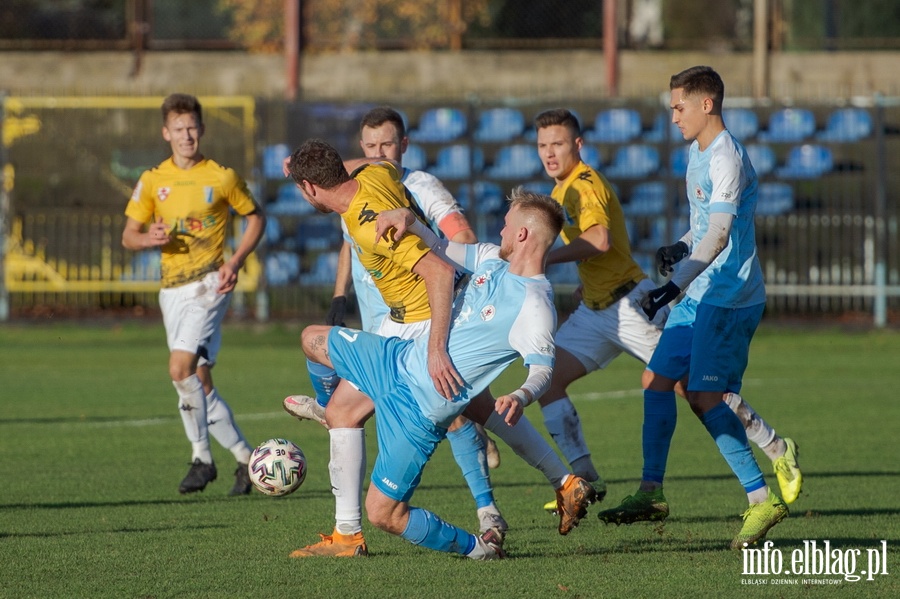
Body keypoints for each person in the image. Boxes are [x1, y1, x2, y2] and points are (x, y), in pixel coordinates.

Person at [285, 140, 596, 558]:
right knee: (313, 341)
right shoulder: (489, 258)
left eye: (506, 224)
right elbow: (443, 246)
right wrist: (409, 218)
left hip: (420, 378)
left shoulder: (535, 306)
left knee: (386, 510)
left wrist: (520, 393)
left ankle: (480, 543)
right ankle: (554, 481)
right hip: (395, 359)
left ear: (521, 234)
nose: (498, 229)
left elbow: (542, 366)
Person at [532, 108, 801, 514]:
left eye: (558, 143)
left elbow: (600, 239)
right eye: (542, 146)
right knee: (548, 380)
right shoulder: (560, 191)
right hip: (595, 310)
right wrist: (587, 278)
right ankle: (586, 478)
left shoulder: (583, 185)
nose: (549, 153)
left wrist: (544, 256)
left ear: (578, 145)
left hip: (631, 305)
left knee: (698, 391)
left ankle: (773, 445)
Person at [598, 66, 789, 549]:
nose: (673, 116)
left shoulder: (727, 157)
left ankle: (761, 496)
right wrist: (679, 250)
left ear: (707, 105)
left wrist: (671, 288)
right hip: (700, 289)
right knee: (656, 381)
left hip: (728, 295)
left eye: (679, 107)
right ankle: (651, 492)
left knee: (706, 396)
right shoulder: (694, 152)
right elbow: (703, 227)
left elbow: (722, 236)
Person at [284, 106, 501, 474]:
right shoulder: (354, 185)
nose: (378, 153)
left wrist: (460, 282)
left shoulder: (419, 184)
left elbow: (461, 236)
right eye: (370, 145)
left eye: (386, 144)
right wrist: (340, 294)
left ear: (404, 144)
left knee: (455, 413)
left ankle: (488, 512)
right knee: (443, 410)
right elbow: (349, 243)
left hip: (424, 317)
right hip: (383, 321)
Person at [121, 93, 266, 495]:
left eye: (192, 128)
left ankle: (202, 458)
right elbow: (128, 236)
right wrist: (149, 237)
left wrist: (234, 262)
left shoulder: (222, 176)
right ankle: (245, 461)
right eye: (179, 129)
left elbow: (256, 218)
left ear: (202, 130)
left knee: (178, 367)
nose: (187, 136)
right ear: (166, 132)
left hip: (209, 284)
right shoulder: (152, 180)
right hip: (171, 290)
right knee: (198, 382)